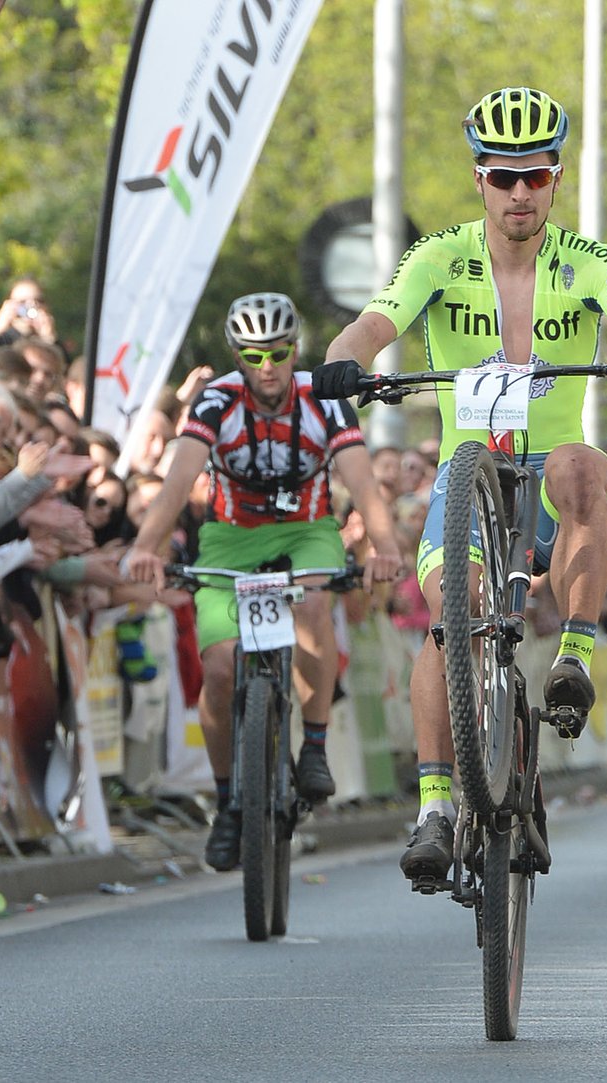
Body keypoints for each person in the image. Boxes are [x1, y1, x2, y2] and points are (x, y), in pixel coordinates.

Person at [311, 86, 607, 884]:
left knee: (582, 463)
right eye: (504, 176)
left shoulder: (586, 258)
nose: (521, 192)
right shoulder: (440, 256)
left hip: (550, 483)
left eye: (538, 176)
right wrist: (344, 357)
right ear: (478, 177)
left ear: (556, 179)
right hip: (467, 473)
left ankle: (574, 656)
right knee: (455, 613)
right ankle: (437, 804)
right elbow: (377, 322)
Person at [126, 292, 402, 871]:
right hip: (230, 537)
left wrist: (385, 546)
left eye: (279, 353)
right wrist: (144, 548)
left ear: (295, 349)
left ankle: (316, 747)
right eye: (254, 356)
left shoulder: (322, 401)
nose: (268, 367)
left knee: (312, 607)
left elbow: (363, 483)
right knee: (221, 669)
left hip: (307, 529)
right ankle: (228, 803)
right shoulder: (215, 401)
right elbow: (177, 482)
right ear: (237, 355)